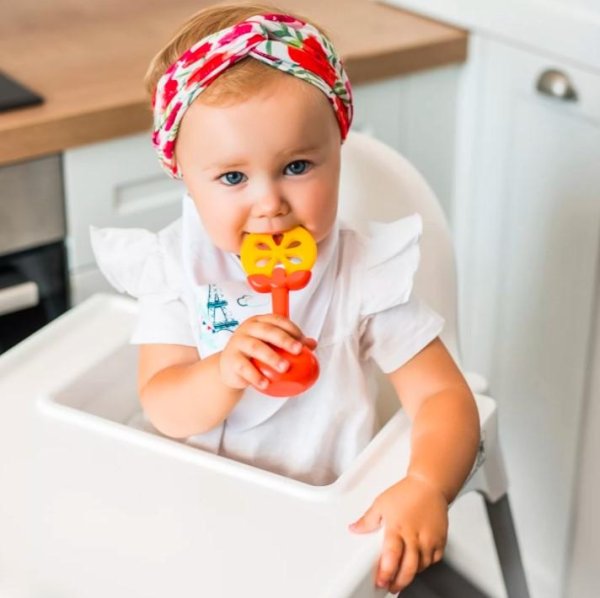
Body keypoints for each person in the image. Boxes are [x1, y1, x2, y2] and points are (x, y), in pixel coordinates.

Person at [91, 3, 480, 593]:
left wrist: (427, 484)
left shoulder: (362, 272)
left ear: (338, 151)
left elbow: (442, 397)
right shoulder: (176, 269)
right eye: (232, 178)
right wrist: (225, 370)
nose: (270, 203)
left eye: (297, 166)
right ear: (185, 180)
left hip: (319, 522)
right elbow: (165, 408)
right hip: (194, 511)